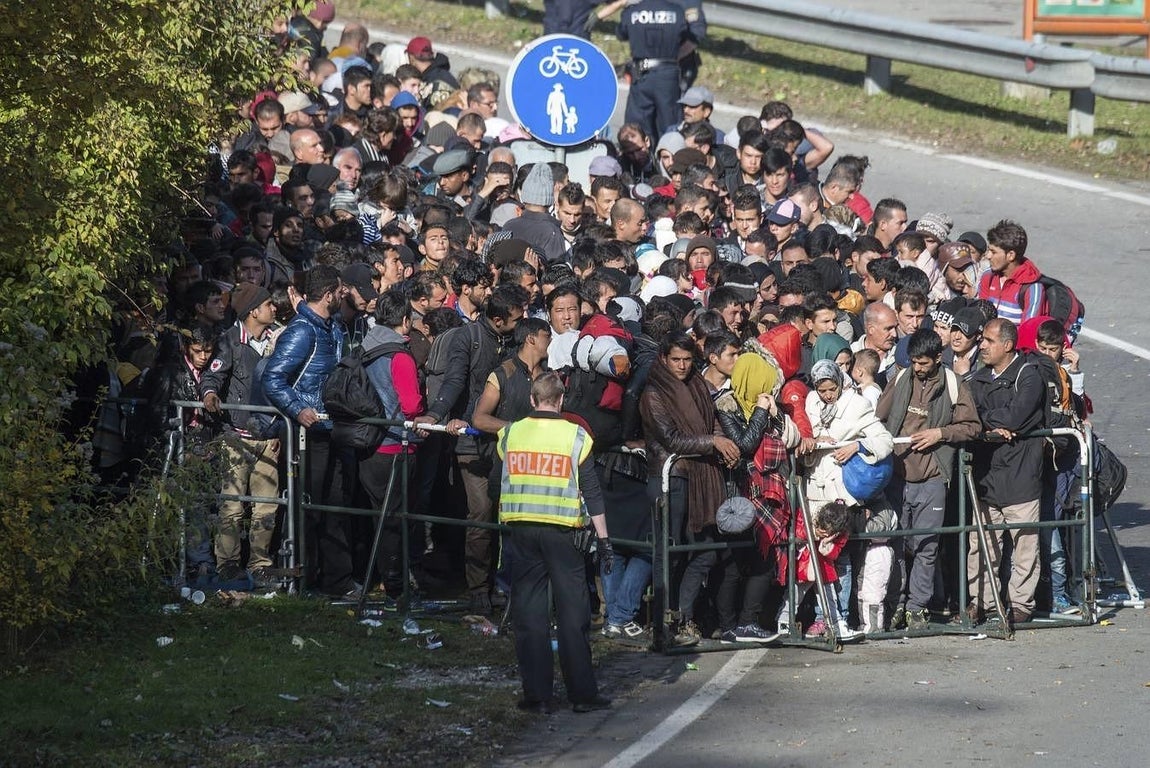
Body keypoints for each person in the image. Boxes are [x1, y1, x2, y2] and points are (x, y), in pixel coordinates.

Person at [498, 372, 612, 714]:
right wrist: (604, 540)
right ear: (561, 401)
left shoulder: (511, 433)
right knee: (572, 614)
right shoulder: (575, 436)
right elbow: (591, 491)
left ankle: (537, 696)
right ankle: (581, 694)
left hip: (521, 531)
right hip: (564, 534)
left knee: (530, 616)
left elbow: (499, 479)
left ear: (532, 400)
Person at [639, 331, 740, 646]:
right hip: (670, 478)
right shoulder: (653, 394)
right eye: (675, 360)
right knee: (670, 554)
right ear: (664, 360)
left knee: (705, 551)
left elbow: (711, 421)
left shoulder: (698, 386)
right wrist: (713, 442)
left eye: (686, 360)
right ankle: (663, 625)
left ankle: (682, 617)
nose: (682, 366)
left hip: (701, 478)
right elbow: (672, 439)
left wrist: (725, 441)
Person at [875, 329, 980, 631]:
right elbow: (877, 417)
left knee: (926, 546)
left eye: (923, 363)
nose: (918, 369)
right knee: (896, 544)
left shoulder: (953, 385)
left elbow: (972, 426)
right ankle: (895, 604)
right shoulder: (901, 379)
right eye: (914, 363)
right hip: (896, 476)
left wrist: (941, 434)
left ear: (937, 358)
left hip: (933, 477)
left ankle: (917, 608)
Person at [262, 265, 354, 596]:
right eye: (340, 290)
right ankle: (304, 579)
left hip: (332, 429)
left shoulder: (332, 327)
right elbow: (272, 378)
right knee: (309, 508)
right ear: (328, 294)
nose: (344, 295)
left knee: (334, 507)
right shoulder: (302, 331)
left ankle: (337, 581)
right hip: (308, 433)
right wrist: (298, 409)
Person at [199, 283, 282, 587]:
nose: (275, 309)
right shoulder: (229, 341)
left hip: (269, 439)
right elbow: (212, 375)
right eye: (270, 304)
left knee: (267, 505)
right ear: (253, 311)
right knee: (232, 504)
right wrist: (209, 395)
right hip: (236, 436)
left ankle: (260, 563)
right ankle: (228, 565)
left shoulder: (278, 340)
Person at [967, 318, 1046, 627]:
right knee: (982, 543)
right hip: (987, 476)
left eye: (988, 340)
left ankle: (1021, 604)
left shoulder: (1029, 377)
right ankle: (982, 601)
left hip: (1021, 475)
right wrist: (991, 424)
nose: (981, 345)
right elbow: (970, 415)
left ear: (1008, 345)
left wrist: (995, 423)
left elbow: (1016, 416)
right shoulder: (978, 378)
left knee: (1025, 546)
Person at [618, 0, 688, 144]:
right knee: (670, 127)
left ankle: (639, 163)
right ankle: (669, 162)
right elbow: (684, 34)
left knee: (637, 129)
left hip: (641, 75)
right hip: (667, 75)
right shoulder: (676, 11)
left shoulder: (632, 12)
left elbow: (621, 33)